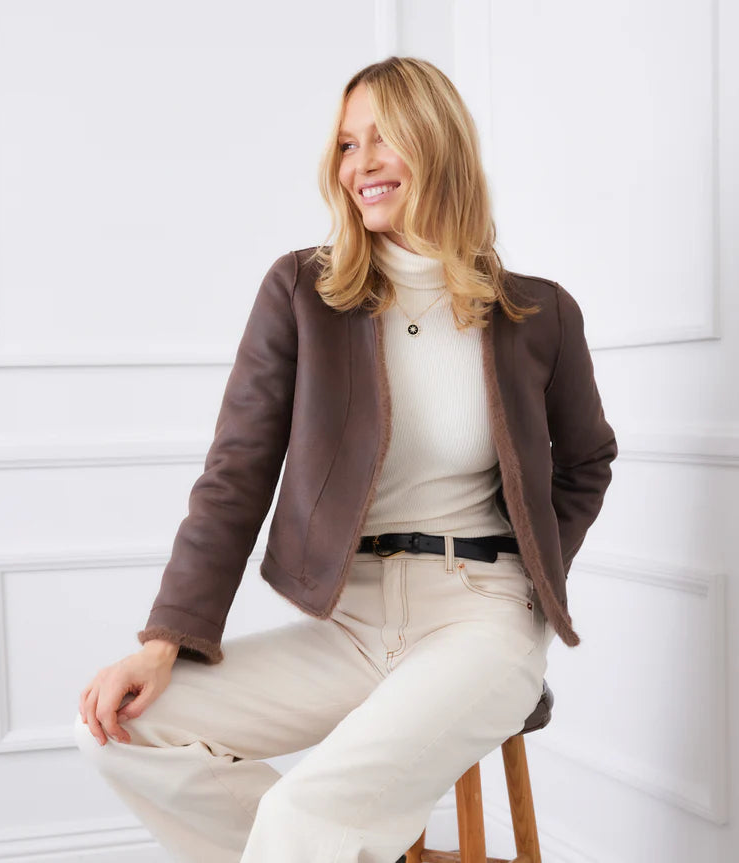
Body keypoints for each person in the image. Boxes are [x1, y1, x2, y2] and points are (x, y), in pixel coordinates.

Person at [73, 56, 617, 863]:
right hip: (352, 622)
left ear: (437, 142)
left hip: (481, 620)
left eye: (383, 138)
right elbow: (236, 472)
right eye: (346, 145)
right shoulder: (304, 292)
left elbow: (587, 461)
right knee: (120, 730)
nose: (360, 164)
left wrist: (533, 583)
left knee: (306, 814)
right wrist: (165, 641)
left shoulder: (537, 312)